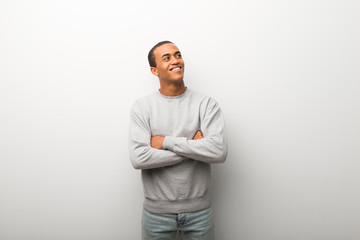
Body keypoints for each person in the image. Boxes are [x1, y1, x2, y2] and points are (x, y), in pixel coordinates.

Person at [129, 40, 227, 240]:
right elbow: (139, 158)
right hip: (156, 214)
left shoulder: (206, 104)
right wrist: (194, 146)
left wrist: (165, 142)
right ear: (155, 71)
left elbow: (218, 151)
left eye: (178, 55)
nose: (176, 60)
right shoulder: (142, 107)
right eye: (167, 58)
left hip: (199, 212)